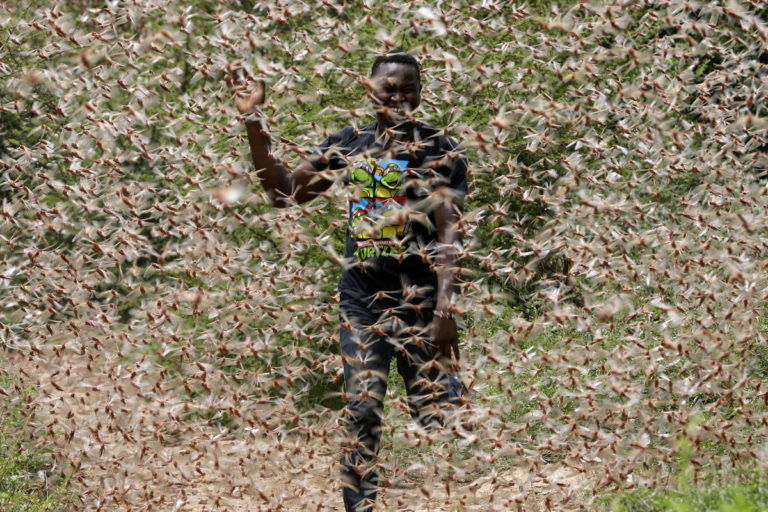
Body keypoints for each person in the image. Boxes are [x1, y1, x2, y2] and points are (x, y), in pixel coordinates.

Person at [229, 49, 468, 512]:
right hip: (362, 300)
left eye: (408, 89)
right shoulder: (350, 144)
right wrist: (253, 119)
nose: (397, 97)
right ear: (370, 91)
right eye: (388, 88)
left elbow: (449, 232)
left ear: (420, 93)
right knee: (362, 409)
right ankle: (360, 506)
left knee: (439, 417)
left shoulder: (441, 150)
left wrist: (446, 310)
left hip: (421, 300)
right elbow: (283, 193)